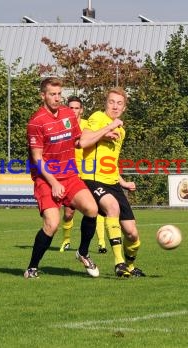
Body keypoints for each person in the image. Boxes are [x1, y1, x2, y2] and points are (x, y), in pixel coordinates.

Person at [24, 77, 101, 279]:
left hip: (69, 175)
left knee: (92, 209)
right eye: (52, 94)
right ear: (43, 95)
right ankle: (32, 267)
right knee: (52, 224)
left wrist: (103, 133)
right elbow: (37, 158)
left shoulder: (68, 114)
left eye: (59, 94)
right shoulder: (36, 121)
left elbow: (79, 142)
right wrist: (54, 183)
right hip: (46, 179)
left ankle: (83, 253)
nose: (57, 98)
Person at [79, 87, 144, 278]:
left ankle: (131, 266)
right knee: (112, 207)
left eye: (119, 103)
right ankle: (119, 263)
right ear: (105, 103)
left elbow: (111, 162)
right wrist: (106, 129)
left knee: (132, 234)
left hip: (112, 183)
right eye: (111, 102)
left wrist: (122, 182)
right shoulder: (98, 117)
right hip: (92, 179)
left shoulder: (121, 131)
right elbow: (83, 141)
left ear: (124, 108)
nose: (115, 106)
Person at [59, 96, 107, 254]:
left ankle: (101, 243)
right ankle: (66, 240)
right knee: (68, 213)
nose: (73, 111)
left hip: (88, 173)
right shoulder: (63, 125)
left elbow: (97, 138)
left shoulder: (88, 125)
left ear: (81, 110)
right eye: (70, 108)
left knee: (96, 208)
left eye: (76, 108)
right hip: (70, 174)